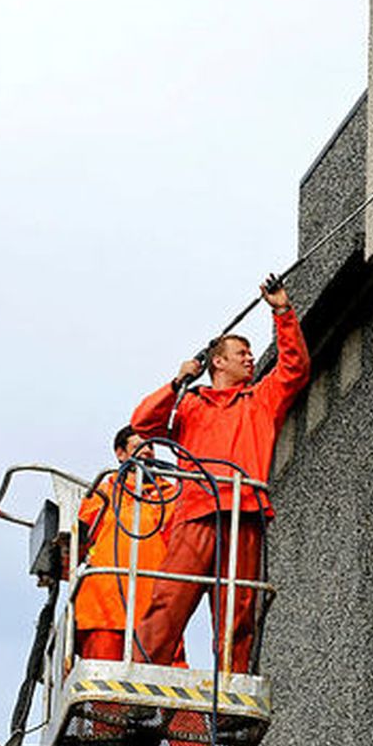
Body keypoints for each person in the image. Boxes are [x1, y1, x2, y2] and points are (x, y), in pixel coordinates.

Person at [129, 278, 310, 675]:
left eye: (249, 353)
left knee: (239, 612)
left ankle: (231, 687)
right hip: (195, 514)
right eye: (241, 353)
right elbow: (143, 423)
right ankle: (139, 683)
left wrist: (281, 311)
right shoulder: (190, 404)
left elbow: (295, 368)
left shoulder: (261, 399)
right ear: (218, 361)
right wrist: (177, 382)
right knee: (169, 601)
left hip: (244, 513)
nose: (250, 359)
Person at [72, 425, 181, 664]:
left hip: (158, 607)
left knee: (163, 687)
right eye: (139, 446)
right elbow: (76, 543)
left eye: (151, 446)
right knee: (103, 687)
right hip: (103, 607)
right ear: (120, 453)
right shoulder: (101, 493)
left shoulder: (171, 496)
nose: (148, 452)